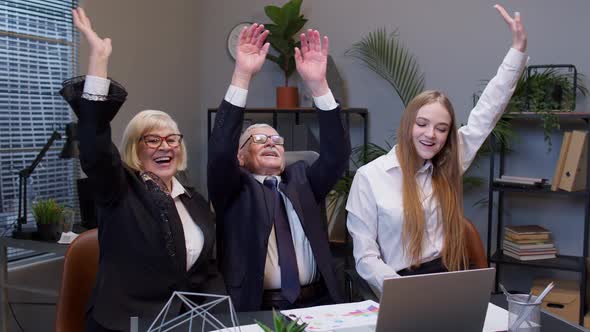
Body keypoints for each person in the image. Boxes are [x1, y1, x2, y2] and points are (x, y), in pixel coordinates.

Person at [346, 4, 528, 295]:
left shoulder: (449, 164)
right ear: (408, 125)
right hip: (397, 282)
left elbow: (487, 113)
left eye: (442, 129)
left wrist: (517, 52)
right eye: (422, 124)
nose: (431, 135)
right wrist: (401, 290)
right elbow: (365, 257)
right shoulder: (370, 177)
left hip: (447, 278)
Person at [60, 8, 215, 331]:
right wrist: (99, 59)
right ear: (134, 147)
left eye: (172, 139)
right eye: (153, 139)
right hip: (125, 325)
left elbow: (204, 274)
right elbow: (94, 147)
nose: (165, 146)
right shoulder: (118, 188)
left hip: (183, 323)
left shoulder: (195, 202)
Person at [208, 24, 351, 311]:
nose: (271, 143)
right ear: (240, 156)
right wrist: (243, 75)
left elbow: (336, 155)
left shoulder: (303, 181)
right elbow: (221, 149)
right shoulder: (233, 189)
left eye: (276, 139)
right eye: (259, 139)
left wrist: (318, 86)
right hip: (256, 309)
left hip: (318, 306)